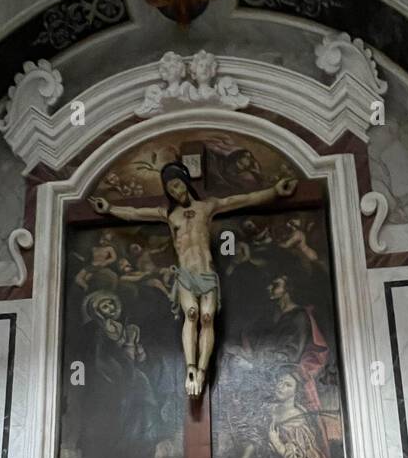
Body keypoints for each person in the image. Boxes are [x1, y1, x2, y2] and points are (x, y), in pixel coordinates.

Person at [90, 161, 297, 396]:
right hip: (186, 275)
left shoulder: (206, 207)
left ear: (185, 182)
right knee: (191, 315)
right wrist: (108, 208)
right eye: (170, 189)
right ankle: (190, 369)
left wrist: (274, 191)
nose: (176, 192)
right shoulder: (169, 215)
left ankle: (202, 370)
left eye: (178, 185)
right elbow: (136, 213)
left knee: (207, 317)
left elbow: (242, 199)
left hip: (207, 273)